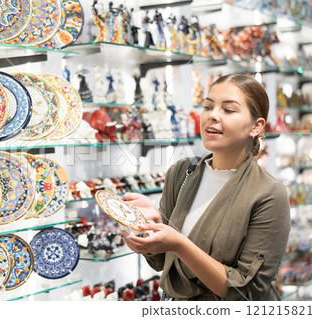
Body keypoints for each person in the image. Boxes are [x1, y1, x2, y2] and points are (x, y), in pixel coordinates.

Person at [123, 73, 291, 301]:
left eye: (228, 110)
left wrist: (180, 244)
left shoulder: (268, 193)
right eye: (208, 107)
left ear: (256, 126)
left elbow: (247, 291)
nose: (212, 116)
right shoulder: (182, 172)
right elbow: (162, 262)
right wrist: (149, 226)